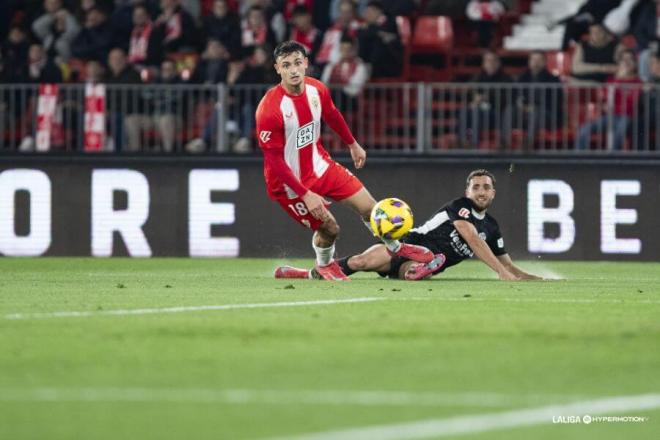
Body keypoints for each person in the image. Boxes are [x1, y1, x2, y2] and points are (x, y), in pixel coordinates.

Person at [257, 41, 433, 281]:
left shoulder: (317, 89)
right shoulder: (269, 109)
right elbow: (275, 161)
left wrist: (352, 143)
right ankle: (323, 266)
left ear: (306, 63)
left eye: (298, 63)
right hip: (289, 185)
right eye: (286, 65)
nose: (294, 70)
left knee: (372, 209)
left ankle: (395, 248)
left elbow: (331, 114)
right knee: (330, 229)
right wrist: (305, 193)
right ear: (278, 68)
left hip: (321, 166)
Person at [276, 169, 542, 281]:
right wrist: (501, 275)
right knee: (359, 263)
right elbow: (471, 238)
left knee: (410, 273)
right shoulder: (460, 206)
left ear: (493, 193)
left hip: (417, 263)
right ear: (468, 190)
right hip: (408, 244)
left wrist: (529, 278)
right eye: (476, 187)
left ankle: (423, 268)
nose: (481, 192)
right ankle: (304, 274)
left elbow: (507, 264)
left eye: (486, 188)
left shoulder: (492, 228)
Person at [576, 49, 642, 151]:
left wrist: (612, 105)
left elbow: (630, 104)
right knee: (584, 130)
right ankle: (580, 159)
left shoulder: (637, 82)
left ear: (635, 63)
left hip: (627, 116)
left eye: (630, 60)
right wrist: (619, 78)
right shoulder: (611, 80)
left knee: (620, 131)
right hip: (610, 116)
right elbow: (607, 98)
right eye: (624, 60)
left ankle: (613, 160)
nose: (627, 63)